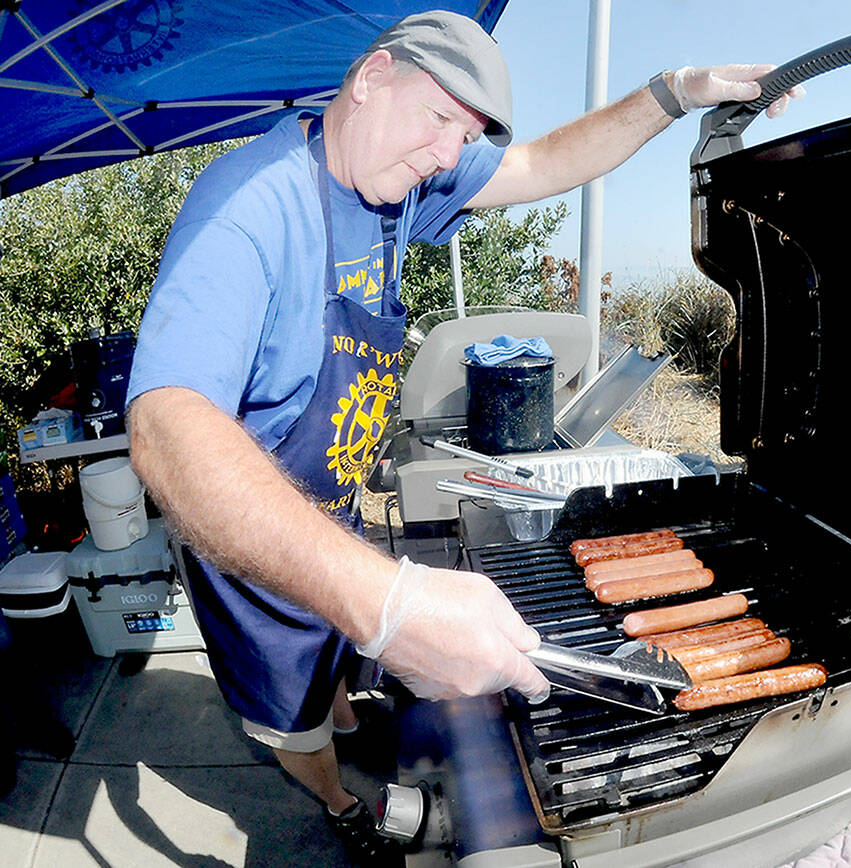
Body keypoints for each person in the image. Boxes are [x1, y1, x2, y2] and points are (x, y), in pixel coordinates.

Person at [124, 11, 802, 865]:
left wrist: (672, 93)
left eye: (468, 132)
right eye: (440, 118)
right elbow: (165, 428)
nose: (450, 156)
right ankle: (341, 802)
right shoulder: (251, 207)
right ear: (371, 78)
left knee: (336, 663)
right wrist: (388, 604)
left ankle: (346, 716)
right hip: (252, 540)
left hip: (332, 502)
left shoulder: (391, 177)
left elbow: (543, 161)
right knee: (292, 712)